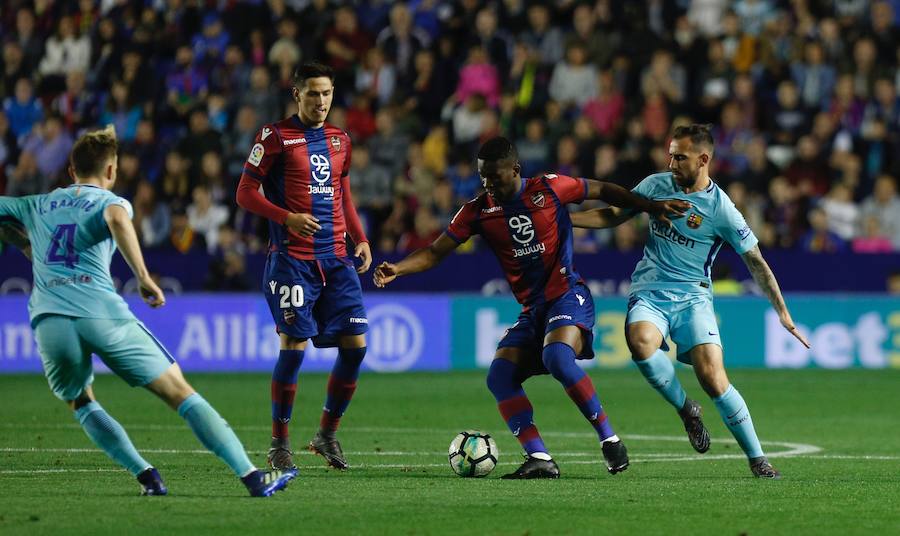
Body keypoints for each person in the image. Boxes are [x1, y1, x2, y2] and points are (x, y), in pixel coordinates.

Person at [0, 126, 296, 496]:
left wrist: (22, 243)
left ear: (71, 171)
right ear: (111, 171)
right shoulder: (112, 201)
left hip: (49, 320)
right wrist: (142, 277)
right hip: (99, 311)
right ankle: (252, 476)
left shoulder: (35, 204)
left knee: (81, 400)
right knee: (179, 392)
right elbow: (118, 220)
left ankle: (146, 476)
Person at [374, 136, 688, 479]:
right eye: (483, 177)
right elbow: (435, 252)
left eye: (495, 176)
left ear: (516, 170)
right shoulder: (477, 212)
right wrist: (398, 268)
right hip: (533, 309)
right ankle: (539, 457)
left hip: (569, 294)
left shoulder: (550, 188)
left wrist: (650, 207)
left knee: (557, 357)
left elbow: (604, 190)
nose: (488, 184)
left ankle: (609, 439)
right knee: (499, 376)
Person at [571, 124, 811, 479]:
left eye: (680, 157)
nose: (671, 163)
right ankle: (687, 410)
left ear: (703, 160)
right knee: (640, 342)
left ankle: (758, 459)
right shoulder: (655, 185)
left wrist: (783, 312)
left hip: (694, 298)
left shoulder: (721, 209)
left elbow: (756, 262)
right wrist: (566, 220)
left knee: (713, 378)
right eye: (670, 154)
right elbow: (613, 213)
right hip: (650, 290)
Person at [235, 62, 371, 472]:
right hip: (292, 261)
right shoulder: (274, 137)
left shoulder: (340, 140)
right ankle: (279, 444)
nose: (321, 101)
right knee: (293, 349)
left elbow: (343, 192)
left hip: (337, 261)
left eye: (327, 93)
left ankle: (326, 435)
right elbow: (244, 193)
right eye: (313, 93)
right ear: (297, 94)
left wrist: (360, 237)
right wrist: (285, 217)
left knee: (356, 347)